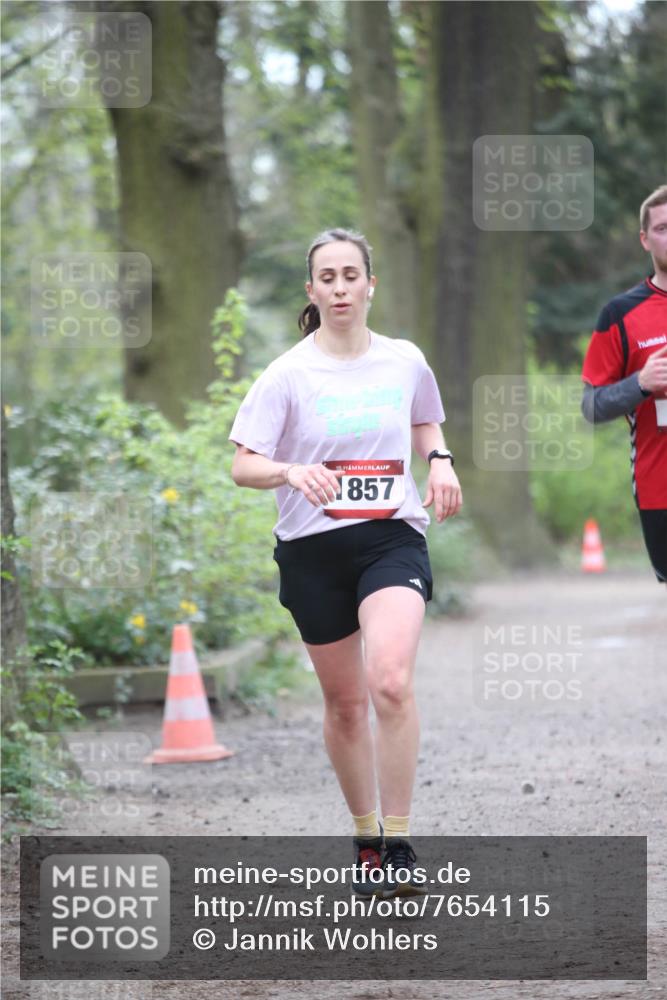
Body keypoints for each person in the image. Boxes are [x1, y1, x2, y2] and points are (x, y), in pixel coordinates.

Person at [229, 228, 462, 897]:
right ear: (312, 290)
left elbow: (425, 421)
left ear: (369, 285)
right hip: (311, 549)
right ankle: (365, 838)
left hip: (390, 537)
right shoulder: (287, 374)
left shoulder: (403, 360)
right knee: (344, 705)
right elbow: (242, 464)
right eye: (325, 277)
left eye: (349, 275)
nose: (338, 287)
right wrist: (290, 471)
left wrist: (439, 461)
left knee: (388, 680)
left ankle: (398, 842)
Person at [581, 185, 667, 584]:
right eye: (663, 228)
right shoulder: (620, 313)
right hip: (659, 486)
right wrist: (641, 384)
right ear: (645, 239)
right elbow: (592, 406)